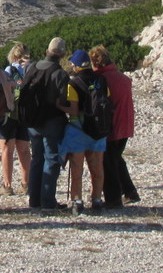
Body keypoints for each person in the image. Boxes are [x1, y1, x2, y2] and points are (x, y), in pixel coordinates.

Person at [24, 37, 70, 212]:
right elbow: (63, 100)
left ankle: (34, 200)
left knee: (36, 158)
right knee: (52, 159)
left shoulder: (31, 68)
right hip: (52, 121)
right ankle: (48, 202)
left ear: (47, 51)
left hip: (32, 121)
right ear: (62, 54)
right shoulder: (60, 73)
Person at [91, 45, 140, 208]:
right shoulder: (123, 78)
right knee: (116, 159)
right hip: (126, 124)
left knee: (108, 162)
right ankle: (129, 191)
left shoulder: (101, 80)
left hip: (111, 125)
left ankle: (113, 199)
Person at [59, 50, 107, 215]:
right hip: (99, 131)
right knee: (97, 168)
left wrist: (58, 106)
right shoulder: (101, 80)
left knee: (77, 168)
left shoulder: (73, 84)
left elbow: (73, 110)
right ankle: (97, 200)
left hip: (78, 131)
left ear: (77, 66)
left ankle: (77, 201)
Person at [0, 43, 31, 196]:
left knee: (7, 150)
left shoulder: (8, 70)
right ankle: (26, 183)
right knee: (23, 150)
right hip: (25, 114)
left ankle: (7, 184)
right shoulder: (31, 70)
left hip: (9, 114)